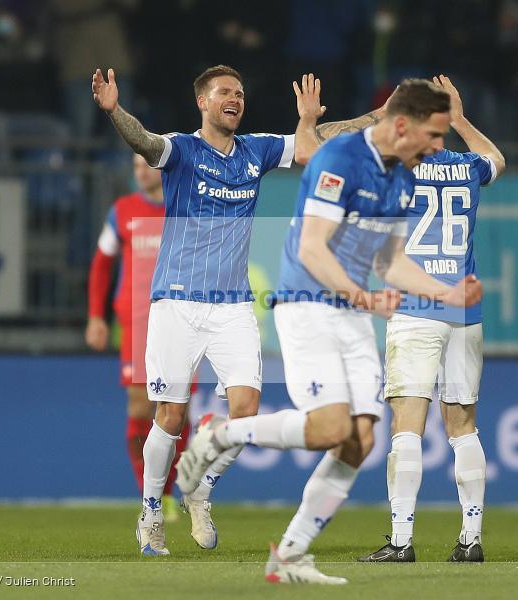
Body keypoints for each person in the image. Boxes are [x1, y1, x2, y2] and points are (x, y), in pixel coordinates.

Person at [176, 77, 483, 584]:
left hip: (350, 311)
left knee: (360, 440)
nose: (436, 148)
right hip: (308, 304)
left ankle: (290, 554)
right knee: (330, 428)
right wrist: (365, 297)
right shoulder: (340, 158)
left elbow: (389, 261)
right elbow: (312, 249)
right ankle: (221, 433)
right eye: (432, 135)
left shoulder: (401, 179)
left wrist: (444, 293)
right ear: (401, 125)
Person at [91, 64, 376, 556]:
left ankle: (201, 490)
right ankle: (152, 511)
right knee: (170, 416)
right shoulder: (182, 149)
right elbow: (146, 143)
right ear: (202, 101)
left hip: (232, 306)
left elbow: (316, 141)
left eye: (240, 93)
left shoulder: (255, 150)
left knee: (245, 413)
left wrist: (375, 115)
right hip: (177, 300)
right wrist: (115, 111)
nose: (235, 99)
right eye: (225, 92)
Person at [357, 75, 505, 563]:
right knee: (463, 425)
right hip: (464, 310)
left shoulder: (396, 166)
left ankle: (401, 541)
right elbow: (497, 159)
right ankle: (471, 538)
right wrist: (461, 120)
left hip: (416, 305)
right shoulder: (466, 166)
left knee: (407, 425)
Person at [85, 154, 191, 522]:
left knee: (177, 411)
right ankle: (149, 491)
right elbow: (101, 265)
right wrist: (96, 316)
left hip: (180, 322)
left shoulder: (185, 208)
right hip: (137, 323)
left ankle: (169, 491)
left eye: (147, 163)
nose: (141, 171)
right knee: (140, 410)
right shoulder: (123, 211)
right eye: (135, 166)